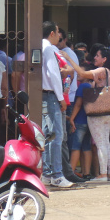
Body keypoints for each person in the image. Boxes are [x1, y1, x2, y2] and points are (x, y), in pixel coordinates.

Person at [61, 47, 110, 182]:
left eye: (98, 56)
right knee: (106, 142)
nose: (95, 58)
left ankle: (103, 174)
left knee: (100, 142)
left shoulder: (100, 71)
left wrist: (68, 59)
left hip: (97, 112)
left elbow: (82, 73)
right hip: (108, 111)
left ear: (105, 59)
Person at [40, 21, 74, 188]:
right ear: (52, 33)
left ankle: (47, 173)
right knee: (57, 135)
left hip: (45, 95)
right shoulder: (49, 48)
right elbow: (53, 73)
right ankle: (57, 175)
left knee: (48, 135)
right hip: (52, 95)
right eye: (58, 32)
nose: (60, 35)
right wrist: (61, 97)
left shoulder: (41, 46)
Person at [57, 29, 85, 183]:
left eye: (61, 39)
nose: (58, 42)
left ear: (65, 40)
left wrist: (64, 93)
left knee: (65, 137)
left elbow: (71, 74)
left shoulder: (66, 54)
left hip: (67, 98)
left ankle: (67, 170)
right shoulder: (60, 52)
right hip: (66, 97)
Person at [68, 71, 93, 180]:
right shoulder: (91, 86)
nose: (78, 73)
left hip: (80, 120)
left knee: (75, 147)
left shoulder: (82, 86)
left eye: (81, 72)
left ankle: (71, 172)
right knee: (86, 147)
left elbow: (78, 104)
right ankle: (86, 173)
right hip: (89, 121)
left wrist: (72, 118)